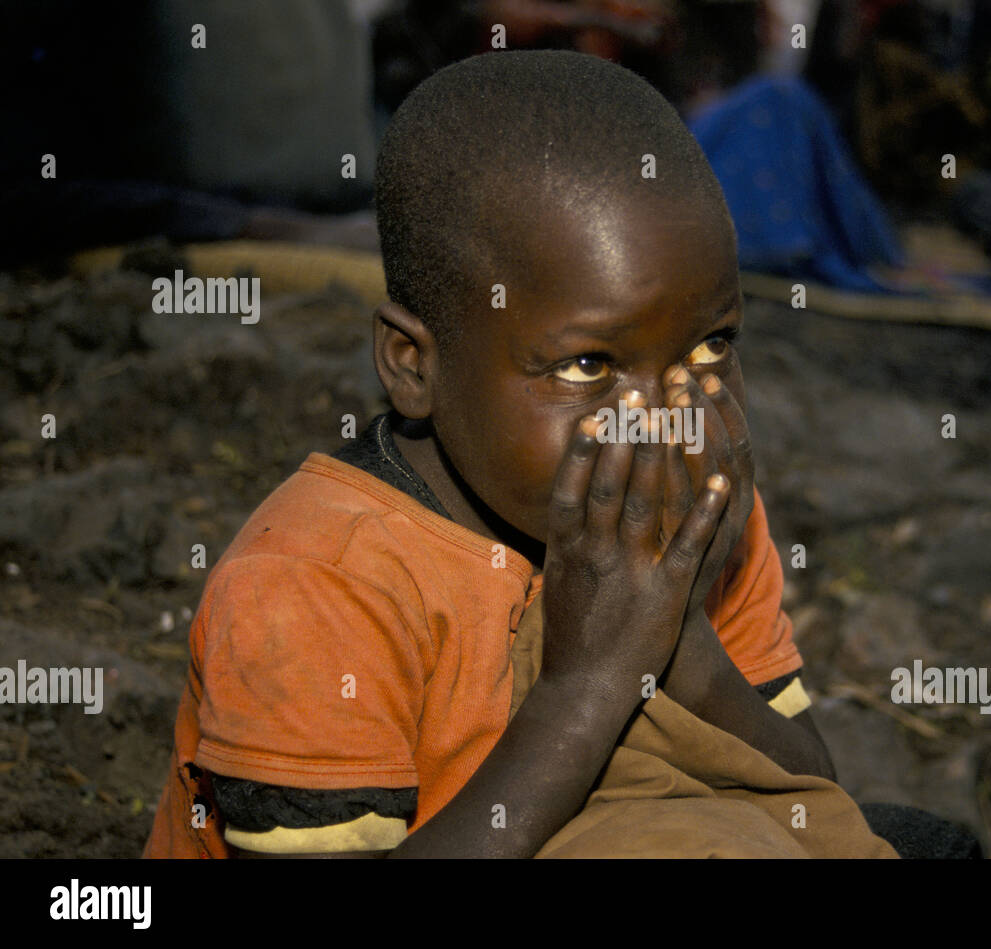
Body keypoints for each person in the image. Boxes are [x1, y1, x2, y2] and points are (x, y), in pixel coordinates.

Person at [142, 50, 898, 859]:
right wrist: (589, 684)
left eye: (710, 347)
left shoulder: (700, 510)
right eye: (587, 367)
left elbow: (814, 801)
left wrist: (683, 645)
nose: (661, 421)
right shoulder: (318, 581)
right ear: (414, 364)